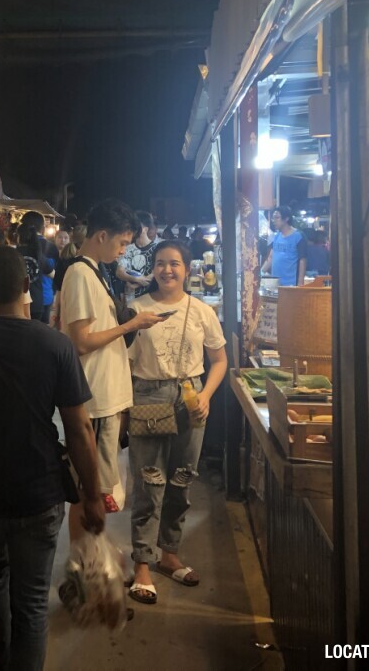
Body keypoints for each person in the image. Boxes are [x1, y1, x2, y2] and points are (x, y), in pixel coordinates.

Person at [0, 245, 105, 671]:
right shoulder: (55, 345)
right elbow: (80, 429)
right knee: (29, 601)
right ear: (27, 287)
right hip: (40, 490)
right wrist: (92, 494)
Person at [125, 241, 227, 605]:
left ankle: (169, 554)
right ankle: (142, 564)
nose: (167, 270)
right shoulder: (137, 309)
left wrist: (206, 395)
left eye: (175, 264)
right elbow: (124, 362)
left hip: (191, 399)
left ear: (188, 269)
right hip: (149, 395)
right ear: (152, 268)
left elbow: (219, 360)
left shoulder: (201, 311)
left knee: (181, 480)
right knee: (148, 482)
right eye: (160, 264)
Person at [60, 200, 164, 519]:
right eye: (121, 243)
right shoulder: (80, 273)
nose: (122, 251)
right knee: (88, 490)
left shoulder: (96, 271)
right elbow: (80, 342)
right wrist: (132, 324)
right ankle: (87, 562)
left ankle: (92, 559)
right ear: (102, 236)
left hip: (104, 396)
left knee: (98, 489)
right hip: (94, 396)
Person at [17, 211, 57, 322]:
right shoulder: (50, 248)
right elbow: (54, 274)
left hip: (19, 301)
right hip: (42, 298)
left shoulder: (14, 252)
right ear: (42, 227)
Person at [120, 211, 162, 300]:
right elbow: (119, 271)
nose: (134, 229)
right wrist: (136, 280)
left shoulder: (157, 249)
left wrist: (137, 283)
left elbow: (156, 271)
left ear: (145, 229)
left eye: (137, 226)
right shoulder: (128, 248)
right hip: (130, 299)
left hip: (151, 298)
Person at [261, 206, 307, 286]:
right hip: (275, 284)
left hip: (291, 285)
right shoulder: (276, 236)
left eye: (277, 218)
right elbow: (271, 258)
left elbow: (302, 261)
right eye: (273, 218)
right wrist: (260, 273)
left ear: (286, 219)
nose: (273, 221)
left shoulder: (298, 236)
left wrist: (300, 283)